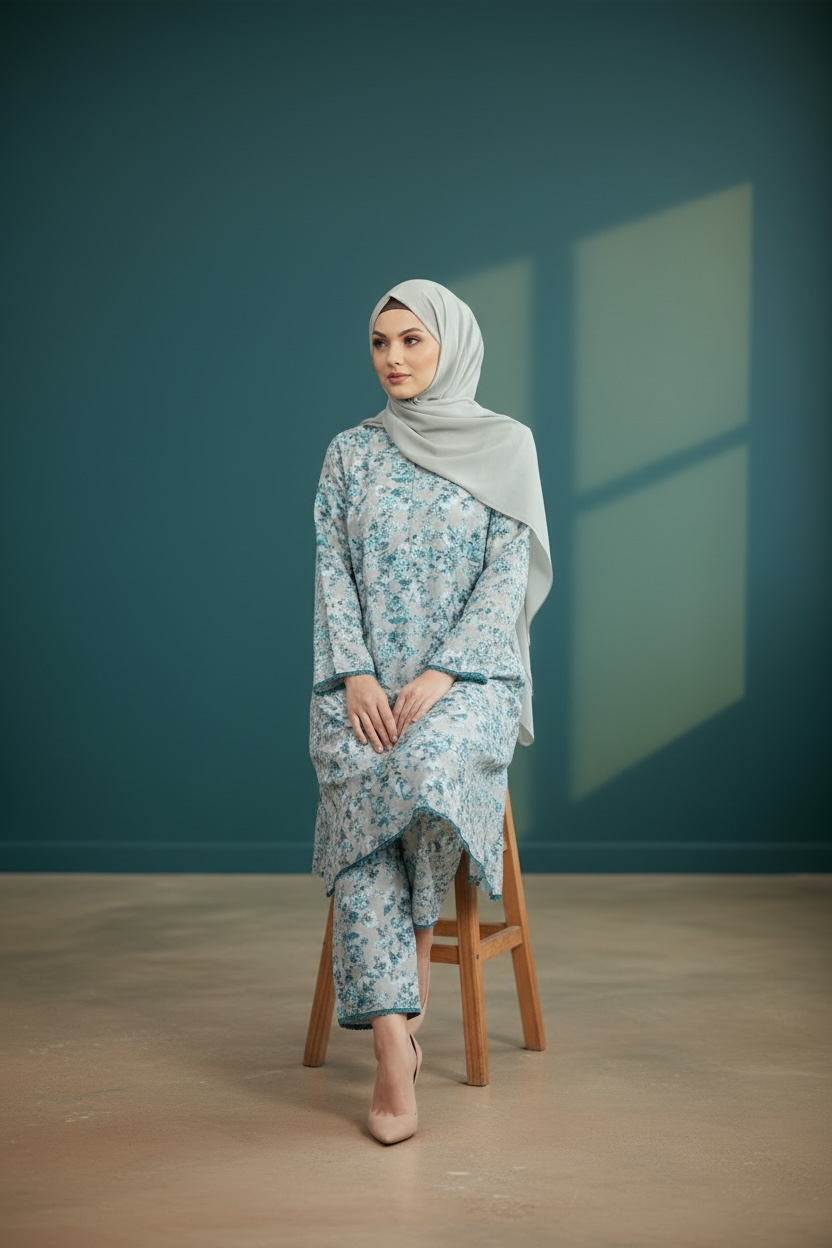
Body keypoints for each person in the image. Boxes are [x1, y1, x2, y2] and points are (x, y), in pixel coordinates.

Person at [308, 278, 552, 1145]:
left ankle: (400, 994)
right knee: (364, 779)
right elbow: (333, 576)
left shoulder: (506, 445)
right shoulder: (350, 453)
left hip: (470, 683)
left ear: (451, 344)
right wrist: (356, 678)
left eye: (412, 340)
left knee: (423, 767)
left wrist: (443, 675)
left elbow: (505, 579)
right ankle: (391, 1041)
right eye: (381, 342)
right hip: (361, 686)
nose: (394, 358)